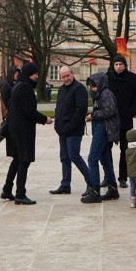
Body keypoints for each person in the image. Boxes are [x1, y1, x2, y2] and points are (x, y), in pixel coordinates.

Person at [0, 61, 49, 205]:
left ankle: (7, 189)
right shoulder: (25, 88)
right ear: (29, 74)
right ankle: (20, 194)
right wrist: (45, 119)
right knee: (24, 160)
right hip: (22, 131)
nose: (37, 76)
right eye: (35, 74)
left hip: (15, 129)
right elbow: (30, 112)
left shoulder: (18, 86)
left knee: (16, 159)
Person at [81, 72, 120, 204]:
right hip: (101, 127)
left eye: (94, 85)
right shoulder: (99, 95)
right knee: (105, 158)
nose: (92, 88)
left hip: (104, 129)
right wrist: (92, 115)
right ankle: (113, 188)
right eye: (91, 86)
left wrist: (93, 116)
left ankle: (95, 191)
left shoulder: (105, 94)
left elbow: (110, 110)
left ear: (100, 84)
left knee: (92, 158)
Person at [50, 66, 89, 194]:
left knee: (74, 156)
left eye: (68, 75)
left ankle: (92, 182)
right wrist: (57, 124)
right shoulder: (61, 89)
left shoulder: (79, 89)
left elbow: (81, 110)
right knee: (64, 157)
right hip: (62, 130)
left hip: (74, 130)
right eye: (63, 77)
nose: (66, 78)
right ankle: (65, 185)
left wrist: (70, 126)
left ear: (72, 74)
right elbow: (58, 108)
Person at [107, 53, 136, 188]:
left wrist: (131, 112)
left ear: (125, 65)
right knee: (106, 149)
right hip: (110, 120)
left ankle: (123, 177)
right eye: (116, 64)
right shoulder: (108, 78)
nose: (118, 67)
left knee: (125, 149)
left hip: (125, 119)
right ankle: (108, 176)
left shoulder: (132, 78)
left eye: (121, 64)